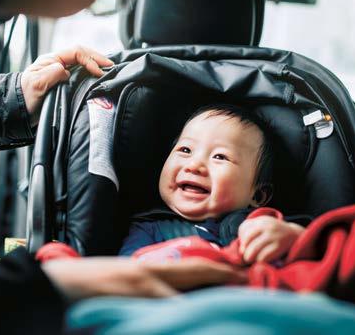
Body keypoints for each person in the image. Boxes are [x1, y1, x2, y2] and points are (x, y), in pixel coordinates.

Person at [0, 0, 245, 334]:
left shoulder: (261, 224)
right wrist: (45, 282)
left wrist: (13, 98)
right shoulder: (145, 232)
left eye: (219, 156)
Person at [119, 104, 306, 264]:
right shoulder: (149, 231)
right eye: (185, 150)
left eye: (220, 156)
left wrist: (293, 236)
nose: (194, 165)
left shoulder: (267, 222)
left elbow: (320, 248)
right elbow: (128, 278)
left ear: (257, 195)